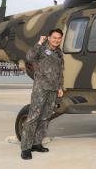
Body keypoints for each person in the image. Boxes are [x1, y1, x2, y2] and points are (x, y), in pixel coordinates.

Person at [21, 28, 65, 160]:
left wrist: (60, 87)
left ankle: (37, 143)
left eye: (59, 38)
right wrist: (39, 43)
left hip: (53, 89)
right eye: (54, 37)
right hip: (40, 88)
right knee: (33, 117)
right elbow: (29, 57)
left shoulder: (59, 53)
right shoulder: (41, 49)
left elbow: (60, 72)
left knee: (45, 117)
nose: (56, 40)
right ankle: (26, 148)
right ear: (49, 38)